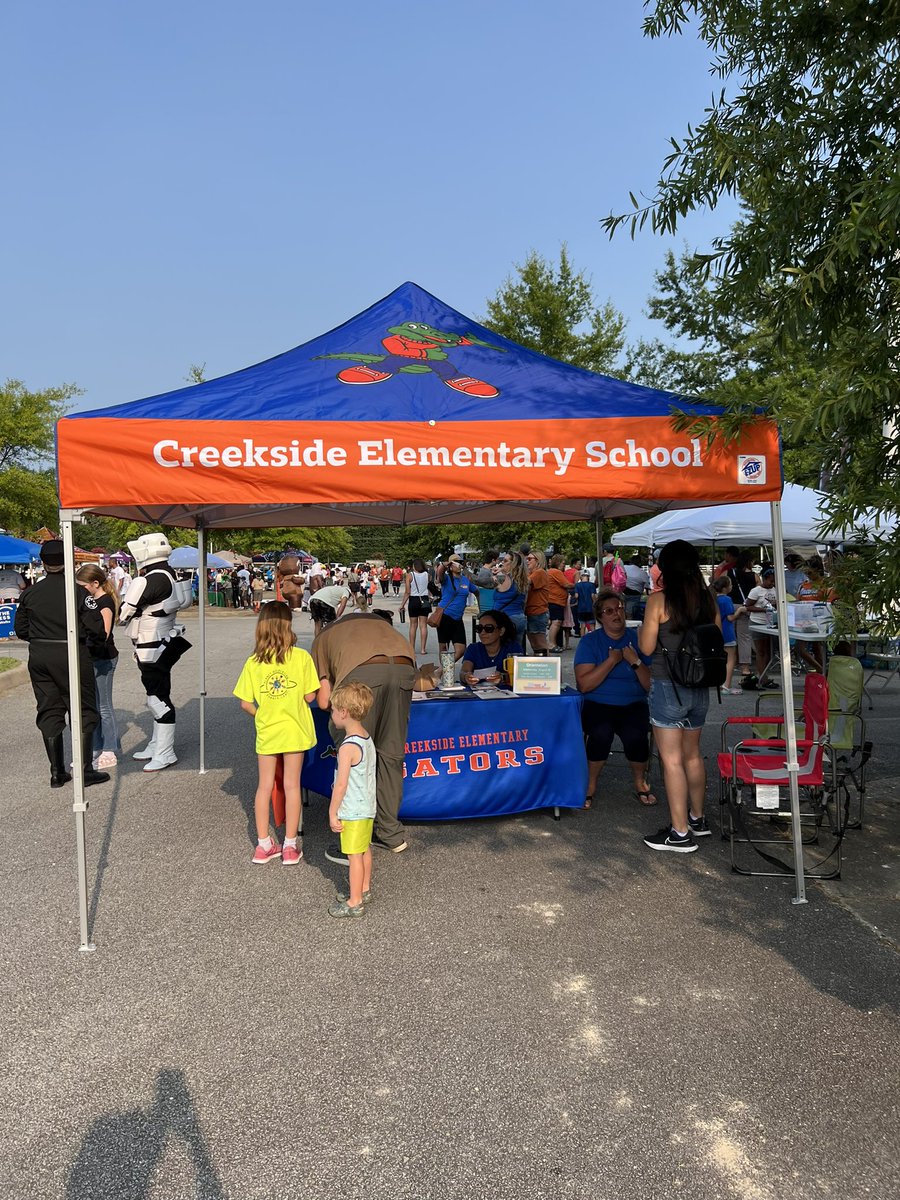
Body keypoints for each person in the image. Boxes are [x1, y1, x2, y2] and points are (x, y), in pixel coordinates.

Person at [639, 539, 721, 853]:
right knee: (692, 756)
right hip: (700, 685)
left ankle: (680, 833)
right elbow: (714, 639)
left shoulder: (659, 601)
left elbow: (646, 648)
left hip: (668, 686)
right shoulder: (708, 598)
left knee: (671, 760)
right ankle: (698, 819)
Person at [312, 610, 416, 857]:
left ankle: (350, 841)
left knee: (355, 759)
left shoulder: (323, 638)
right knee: (391, 757)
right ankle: (391, 834)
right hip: (404, 665)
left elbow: (325, 700)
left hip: (362, 672)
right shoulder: (380, 624)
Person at [14, 540, 110, 789]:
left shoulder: (30, 593)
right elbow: (97, 628)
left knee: (49, 709)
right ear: (67, 561)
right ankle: (86, 770)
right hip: (72, 652)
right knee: (85, 709)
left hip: (41, 653)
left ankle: (57, 772)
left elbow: (20, 629)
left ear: (44, 563)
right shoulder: (78, 592)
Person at [234, 601, 319, 865]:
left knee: (264, 786)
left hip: (268, 731)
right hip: (295, 729)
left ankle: (263, 844)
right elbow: (310, 695)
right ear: (288, 626)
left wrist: (264, 714)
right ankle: (290, 845)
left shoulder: (253, 662)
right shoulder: (302, 657)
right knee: (292, 785)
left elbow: (245, 702)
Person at [574, 589, 655, 809]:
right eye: (609, 611)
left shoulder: (638, 639)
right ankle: (590, 783)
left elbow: (650, 685)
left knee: (636, 735)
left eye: (619, 608)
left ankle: (640, 781)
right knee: (600, 733)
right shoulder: (590, 642)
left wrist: (635, 661)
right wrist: (611, 662)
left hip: (633, 702)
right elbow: (584, 684)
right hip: (597, 702)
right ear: (600, 617)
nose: (616, 614)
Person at [119, 533, 192, 772]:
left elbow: (124, 613)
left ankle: (165, 752)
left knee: (157, 699)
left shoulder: (150, 579)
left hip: (151, 644)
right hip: (161, 641)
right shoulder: (169, 574)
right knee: (158, 694)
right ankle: (157, 745)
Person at [327, 681, 377, 918]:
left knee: (353, 856)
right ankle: (364, 888)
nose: (333, 714)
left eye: (334, 710)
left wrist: (332, 811)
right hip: (367, 806)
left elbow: (341, 784)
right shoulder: (366, 738)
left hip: (352, 810)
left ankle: (354, 901)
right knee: (364, 848)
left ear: (344, 713)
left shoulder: (347, 747)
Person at [76, 564, 121, 769]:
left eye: (83, 586)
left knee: (104, 705)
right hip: (92, 658)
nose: (81, 590)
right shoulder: (92, 600)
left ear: (95, 583)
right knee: (93, 705)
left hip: (104, 658)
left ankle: (109, 749)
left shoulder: (104, 602)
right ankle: (96, 747)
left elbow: (104, 632)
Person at [459, 610, 523, 687]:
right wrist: (467, 676)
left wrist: (502, 677)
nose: (482, 632)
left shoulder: (513, 648)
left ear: (501, 631)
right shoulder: (473, 649)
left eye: (488, 628)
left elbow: (520, 674)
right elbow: (464, 671)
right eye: (479, 628)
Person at [724, 549, 758, 680]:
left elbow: (720, 583)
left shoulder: (730, 572)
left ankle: (728, 663)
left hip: (730, 606)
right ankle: (745, 667)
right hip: (745, 607)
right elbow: (758, 593)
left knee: (729, 637)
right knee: (745, 637)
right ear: (749, 561)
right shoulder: (755, 576)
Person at [435, 554, 475, 662]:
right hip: (445, 616)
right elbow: (439, 573)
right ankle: (444, 674)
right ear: (451, 565)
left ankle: (440, 671)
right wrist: (444, 565)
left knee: (461, 649)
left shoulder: (465, 580)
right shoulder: (447, 579)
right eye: (457, 562)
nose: (459, 565)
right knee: (444, 648)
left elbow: (476, 591)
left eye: (461, 562)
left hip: (458, 619)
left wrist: (481, 608)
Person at [713, 575, 746, 694]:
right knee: (731, 659)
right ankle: (726, 685)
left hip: (716, 632)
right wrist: (740, 611)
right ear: (725, 588)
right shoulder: (727, 600)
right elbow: (730, 617)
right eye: (730, 584)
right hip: (727, 632)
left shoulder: (713, 599)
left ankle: (720, 682)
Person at [746, 566, 778, 677]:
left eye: (774, 581)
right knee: (761, 651)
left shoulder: (775, 590)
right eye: (771, 581)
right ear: (764, 579)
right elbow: (748, 606)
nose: (772, 583)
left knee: (769, 651)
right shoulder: (756, 591)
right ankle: (762, 676)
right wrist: (764, 609)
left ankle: (764, 675)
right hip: (757, 622)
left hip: (770, 624)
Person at [492, 551, 528, 641]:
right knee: (515, 650)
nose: (502, 562)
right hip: (519, 617)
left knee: (503, 650)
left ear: (513, 564)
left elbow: (481, 581)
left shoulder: (504, 579)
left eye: (505, 560)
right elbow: (525, 601)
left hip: (506, 618)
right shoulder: (522, 579)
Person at [400, 557, 432, 656]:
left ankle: (412, 648)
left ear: (414, 566)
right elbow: (430, 589)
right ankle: (423, 649)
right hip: (425, 600)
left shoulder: (410, 575)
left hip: (414, 600)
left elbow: (407, 592)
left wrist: (402, 605)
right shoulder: (428, 575)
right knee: (423, 625)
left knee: (413, 625)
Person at [524, 549, 551, 655]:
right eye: (527, 559)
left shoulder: (539, 572)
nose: (527, 561)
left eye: (530, 559)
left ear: (538, 560)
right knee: (536, 646)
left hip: (538, 612)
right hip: (532, 612)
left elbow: (526, 583)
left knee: (540, 645)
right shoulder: (532, 573)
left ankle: (549, 669)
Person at [547, 553, 575, 652]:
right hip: (555, 601)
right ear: (558, 563)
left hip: (553, 600)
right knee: (556, 622)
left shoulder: (550, 571)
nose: (564, 565)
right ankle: (551, 644)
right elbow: (566, 584)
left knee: (555, 622)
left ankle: (553, 643)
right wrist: (575, 584)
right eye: (563, 563)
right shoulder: (556, 572)